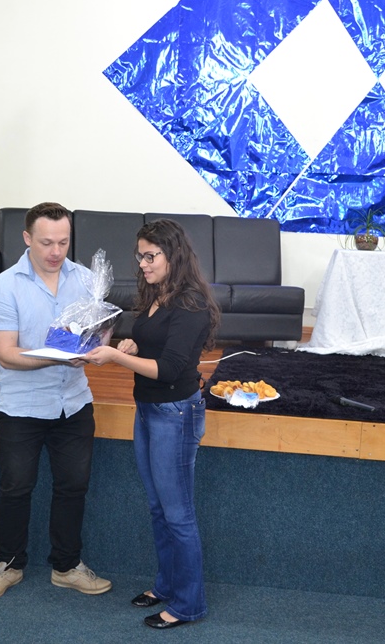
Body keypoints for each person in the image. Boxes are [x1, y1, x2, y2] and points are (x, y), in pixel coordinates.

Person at [83, 219, 220, 629]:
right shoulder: (158, 293)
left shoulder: (191, 304)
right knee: (159, 509)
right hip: (148, 409)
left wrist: (116, 356)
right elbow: (155, 343)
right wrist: (132, 343)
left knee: (178, 514)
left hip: (175, 413)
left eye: (150, 256)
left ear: (172, 256)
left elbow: (171, 367)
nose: (142, 264)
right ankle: (167, 586)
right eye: (139, 256)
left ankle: (189, 604)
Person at [0, 202, 112, 600]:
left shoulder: (87, 280)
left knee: (74, 487)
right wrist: (60, 355)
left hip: (74, 401)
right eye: (47, 242)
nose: (56, 251)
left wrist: (99, 343)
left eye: (63, 242)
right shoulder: (5, 287)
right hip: (22, 406)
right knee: (16, 487)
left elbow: (99, 334)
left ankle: (67, 566)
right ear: (27, 238)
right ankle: (8, 564)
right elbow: (7, 354)